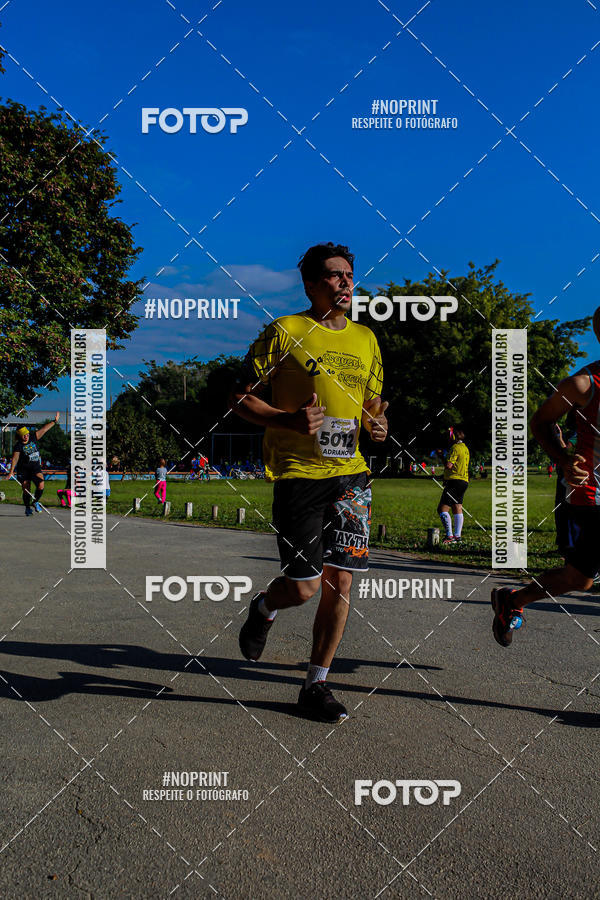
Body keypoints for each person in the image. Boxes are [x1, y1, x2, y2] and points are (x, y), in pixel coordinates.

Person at [230, 242, 387, 723]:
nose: (346, 283)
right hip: (299, 474)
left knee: (341, 583)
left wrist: (378, 424)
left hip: (351, 476)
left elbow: (375, 405)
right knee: (303, 587)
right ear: (312, 285)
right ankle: (264, 606)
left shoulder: (366, 339)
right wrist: (289, 420)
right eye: (336, 276)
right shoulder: (284, 332)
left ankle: (316, 685)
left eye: (350, 276)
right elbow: (240, 398)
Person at [491, 306, 600, 647]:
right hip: (591, 493)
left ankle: (513, 600)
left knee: (579, 580)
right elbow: (540, 422)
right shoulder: (584, 385)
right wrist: (564, 458)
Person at [3, 414, 60, 515]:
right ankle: (27, 507)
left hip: (35, 468)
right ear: (20, 436)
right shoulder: (19, 445)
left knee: (41, 485)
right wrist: (11, 472)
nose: (26, 436)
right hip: (23, 470)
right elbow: (15, 459)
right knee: (26, 489)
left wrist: (54, 421)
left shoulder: (34, 437)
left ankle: (35, 501)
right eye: (24, 435)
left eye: (27, 434)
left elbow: (44, 429)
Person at [437, 425, 470, 545]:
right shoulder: (465, 448)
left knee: (442, 508)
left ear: (453, 437)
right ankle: (457, 537)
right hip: (463, 481)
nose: (448, 439)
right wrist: (445, 476)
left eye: (449, 436)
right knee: (457, 507)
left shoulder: (455, 448)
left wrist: (441, 456)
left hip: (455, 482)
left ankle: (450, 536)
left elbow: (449, 465)